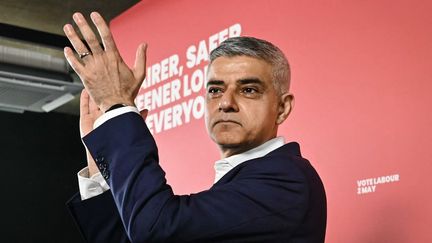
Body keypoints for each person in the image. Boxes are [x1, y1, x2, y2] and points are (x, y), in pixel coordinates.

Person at [64, 12, 326, 243]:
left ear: (282, 108)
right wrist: (102, 172)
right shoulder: (244, 182)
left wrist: (116, 106)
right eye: (215, 89)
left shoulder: (287, 181)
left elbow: (155, 228)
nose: (225, 102)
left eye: (248, 90)